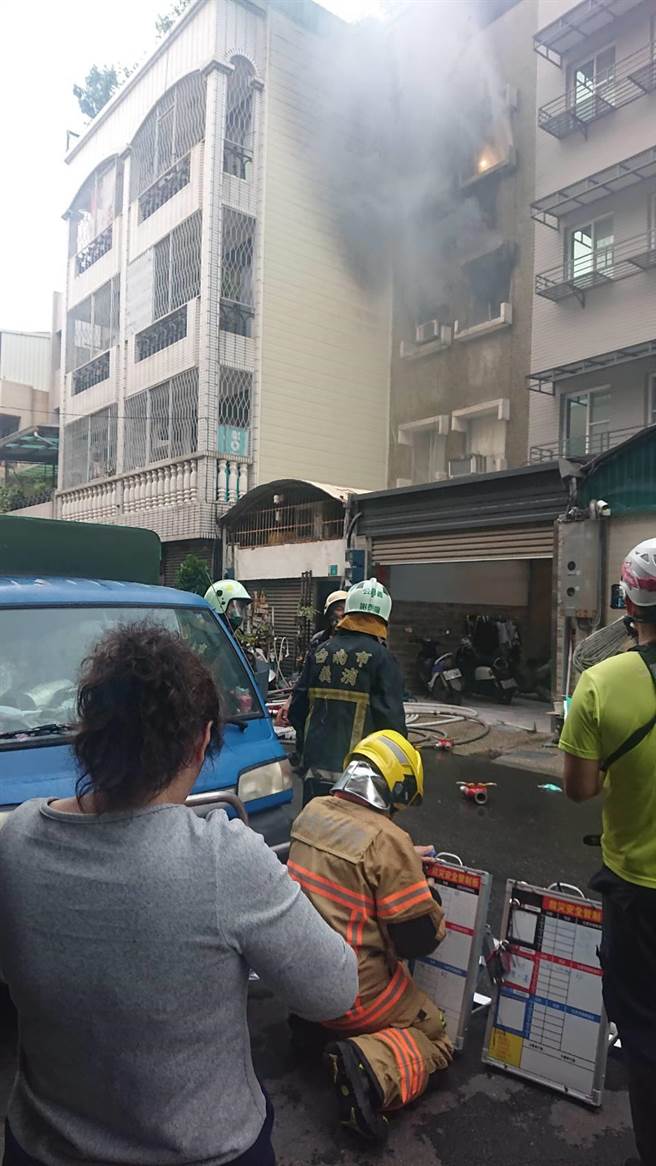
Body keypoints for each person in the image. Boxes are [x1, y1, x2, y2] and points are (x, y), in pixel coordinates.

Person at [0, 623, 357, 1166]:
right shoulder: (223, 858)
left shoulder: (18, 839)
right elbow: (333, 991)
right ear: (199, 741)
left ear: (90, 731)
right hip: (204, 1153)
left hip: (40, 1147)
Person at [288, 730, 453, 1141]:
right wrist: (425, 894)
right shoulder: (388, 841)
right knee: (436, 1035)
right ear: (394, 788)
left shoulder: (310, 813)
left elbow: (350, 850)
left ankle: (317, 1031)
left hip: (299, 980)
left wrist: (399, 859)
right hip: (355, 992)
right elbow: (419, 940)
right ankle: (370, 1068)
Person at [559, 538, 656, 1166]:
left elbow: (579, 789)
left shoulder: (599, 681)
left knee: (646, 1037)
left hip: (637, 894)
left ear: (626, 598)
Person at [288, 578, 407, 803]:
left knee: (312, 831)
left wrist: (307, 749)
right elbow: (392, 725)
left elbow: (297, 708)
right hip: (359, 778)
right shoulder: (382, 659)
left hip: (315, 771)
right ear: (383, 618)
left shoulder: (320, 652)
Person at [275, 590, 348, 732]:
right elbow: (305, 677)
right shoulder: (318, 641)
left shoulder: (355, 644)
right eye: (339, 609)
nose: (343, 614)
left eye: (347, 609)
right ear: (329, 613)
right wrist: (289, 703)